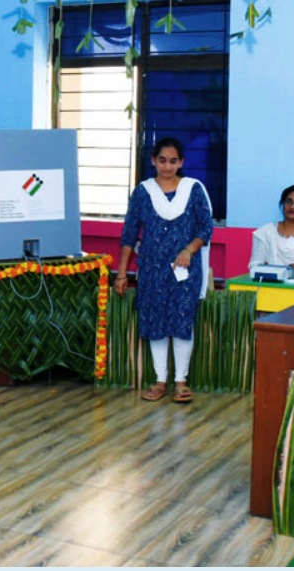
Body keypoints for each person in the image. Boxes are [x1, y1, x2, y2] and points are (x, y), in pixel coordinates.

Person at [114, 138, 213, 403]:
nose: (167, 166)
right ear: (153, 161)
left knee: (181, 320)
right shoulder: (143, 192)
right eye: (162, 160)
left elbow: (205, 228)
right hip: (151, 269)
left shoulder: (193, 189)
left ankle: (181, 380)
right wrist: (121, 274)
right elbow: (129, 234)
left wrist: (189, 250)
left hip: (185, 269)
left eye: (173, 161)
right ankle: (160, 381)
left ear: (181, 162)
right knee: (155, 321)